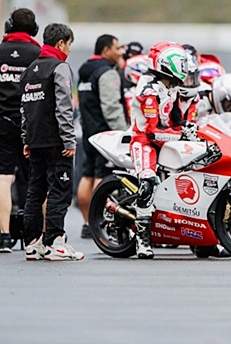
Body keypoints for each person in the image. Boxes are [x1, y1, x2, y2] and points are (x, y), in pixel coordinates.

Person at [20, 23, 83, 261]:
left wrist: (26, 139)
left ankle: (32, 244)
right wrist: (69, 141)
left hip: (35, 141)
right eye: (69, 44)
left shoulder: (30, 70)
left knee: (35, 192)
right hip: (57, 143)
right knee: (60, 191)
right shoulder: (60, 67)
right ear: (60, 43)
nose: (69, 50)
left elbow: (24, 110)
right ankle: (56, 243)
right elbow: (64, 108)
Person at [129, 41, 195, 259]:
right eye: (182, 64)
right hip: (144, 141)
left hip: (165, 140)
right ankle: (142, 242)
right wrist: (180, 134)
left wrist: (190, 129)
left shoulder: (171, 87)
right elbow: (152, 131)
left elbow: (176, 119)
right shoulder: (149, 89)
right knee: (148, 183)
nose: (185, 69)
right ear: (169, 64)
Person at [0, 8, 41, 252]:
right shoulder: (38, 53)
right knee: (34, 180)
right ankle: (34, 236)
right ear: (34, 29)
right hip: (31, 125)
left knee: (3, 179)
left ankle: (5, 236)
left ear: (9, 26)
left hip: (2, 123)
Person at [77, 34, 128, 238]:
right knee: (102, 178)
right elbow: (111, 108)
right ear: (106, 50)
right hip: (106, 136)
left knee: (87, 176)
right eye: (117, 48)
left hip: (88, 133)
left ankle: (86, 223)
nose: (120, 52)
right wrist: (125, 134)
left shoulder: (85, 71)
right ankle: (97, 221)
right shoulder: (106, 73)